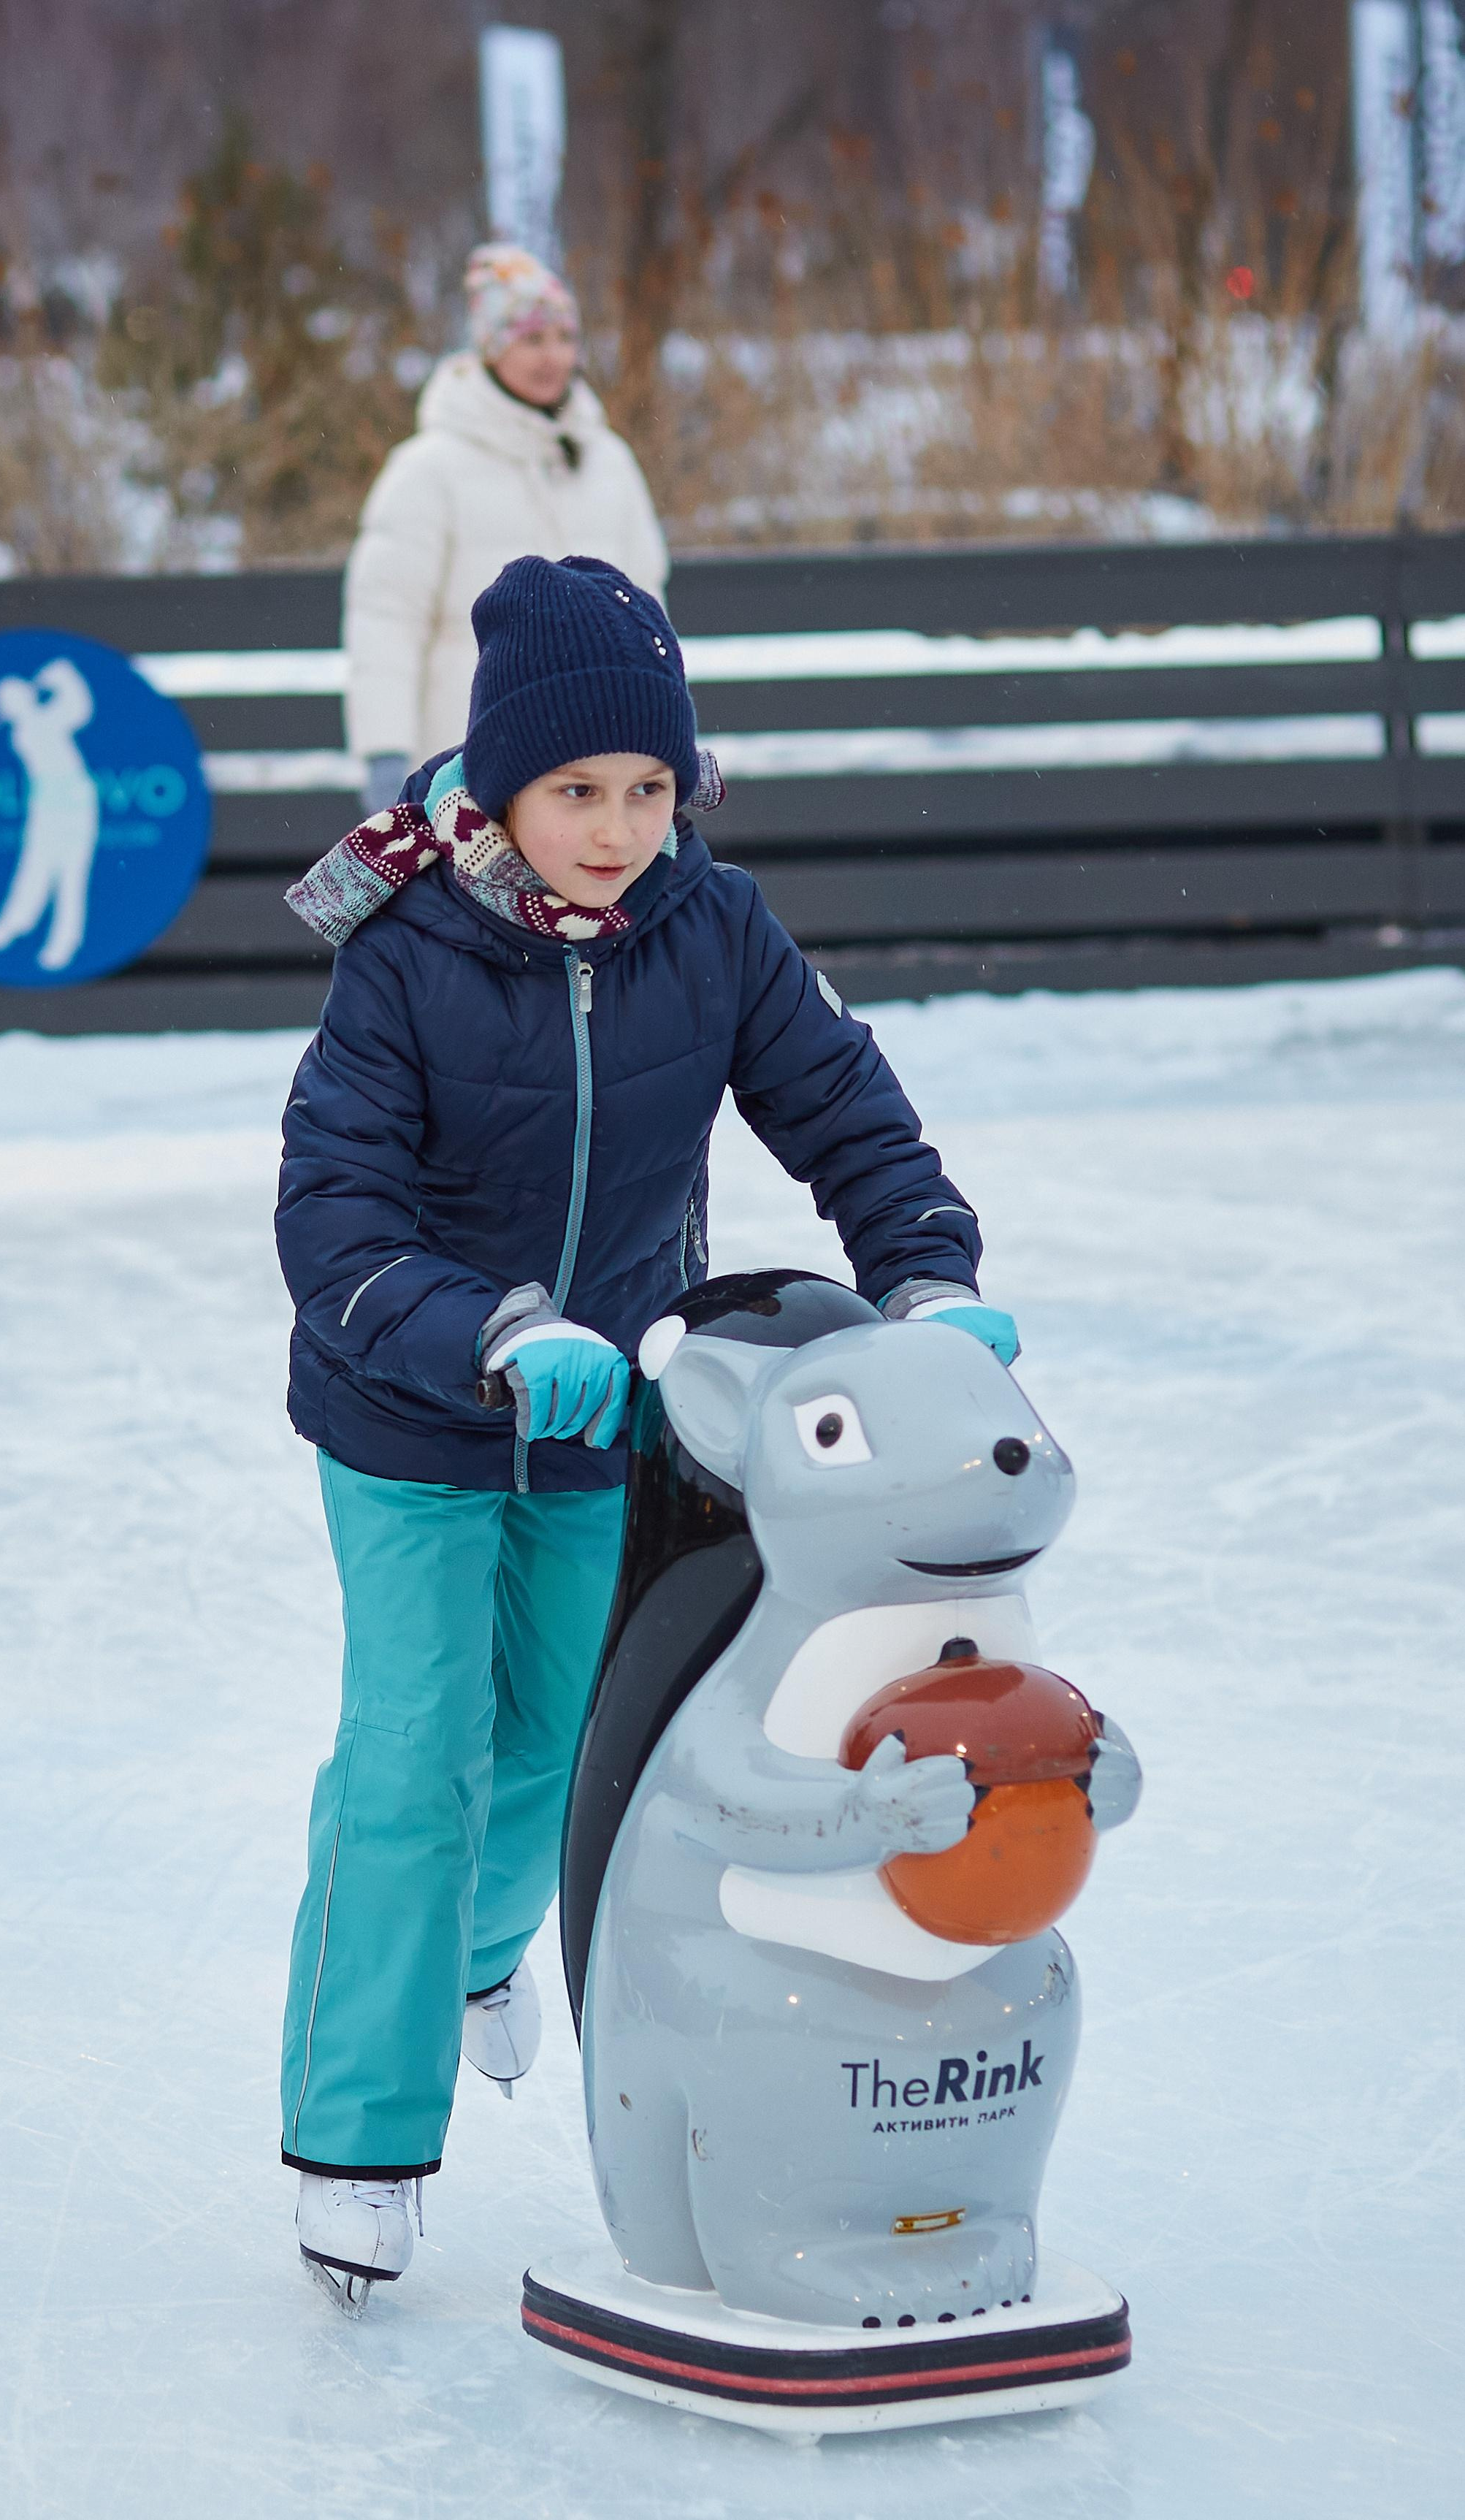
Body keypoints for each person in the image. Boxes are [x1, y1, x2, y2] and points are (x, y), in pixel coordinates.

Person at [274, 551, 1020, 2309]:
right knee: (412, 1761)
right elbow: (333, 1216)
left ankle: (469, 1955)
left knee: (549, 1745)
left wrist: (925, 1274)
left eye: (646, 789)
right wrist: (491, 1330)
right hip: (409, 1415)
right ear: (499, 789)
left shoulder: (711, 929)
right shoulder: (404, 955)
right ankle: (354, 2142)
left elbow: (847, 1112)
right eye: (575, 791)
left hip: (606, 1423)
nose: (614, 830)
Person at [344, 244, 667, 816]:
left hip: (598, 765)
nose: (553, 356)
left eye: (565, 338)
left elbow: (647, 612)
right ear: (492, 348)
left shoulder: (608, 461)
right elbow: (387, 620)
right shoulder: (429, 469)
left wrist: (664, 728)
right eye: (531, 339)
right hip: (465, 764)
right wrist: (385, 752)